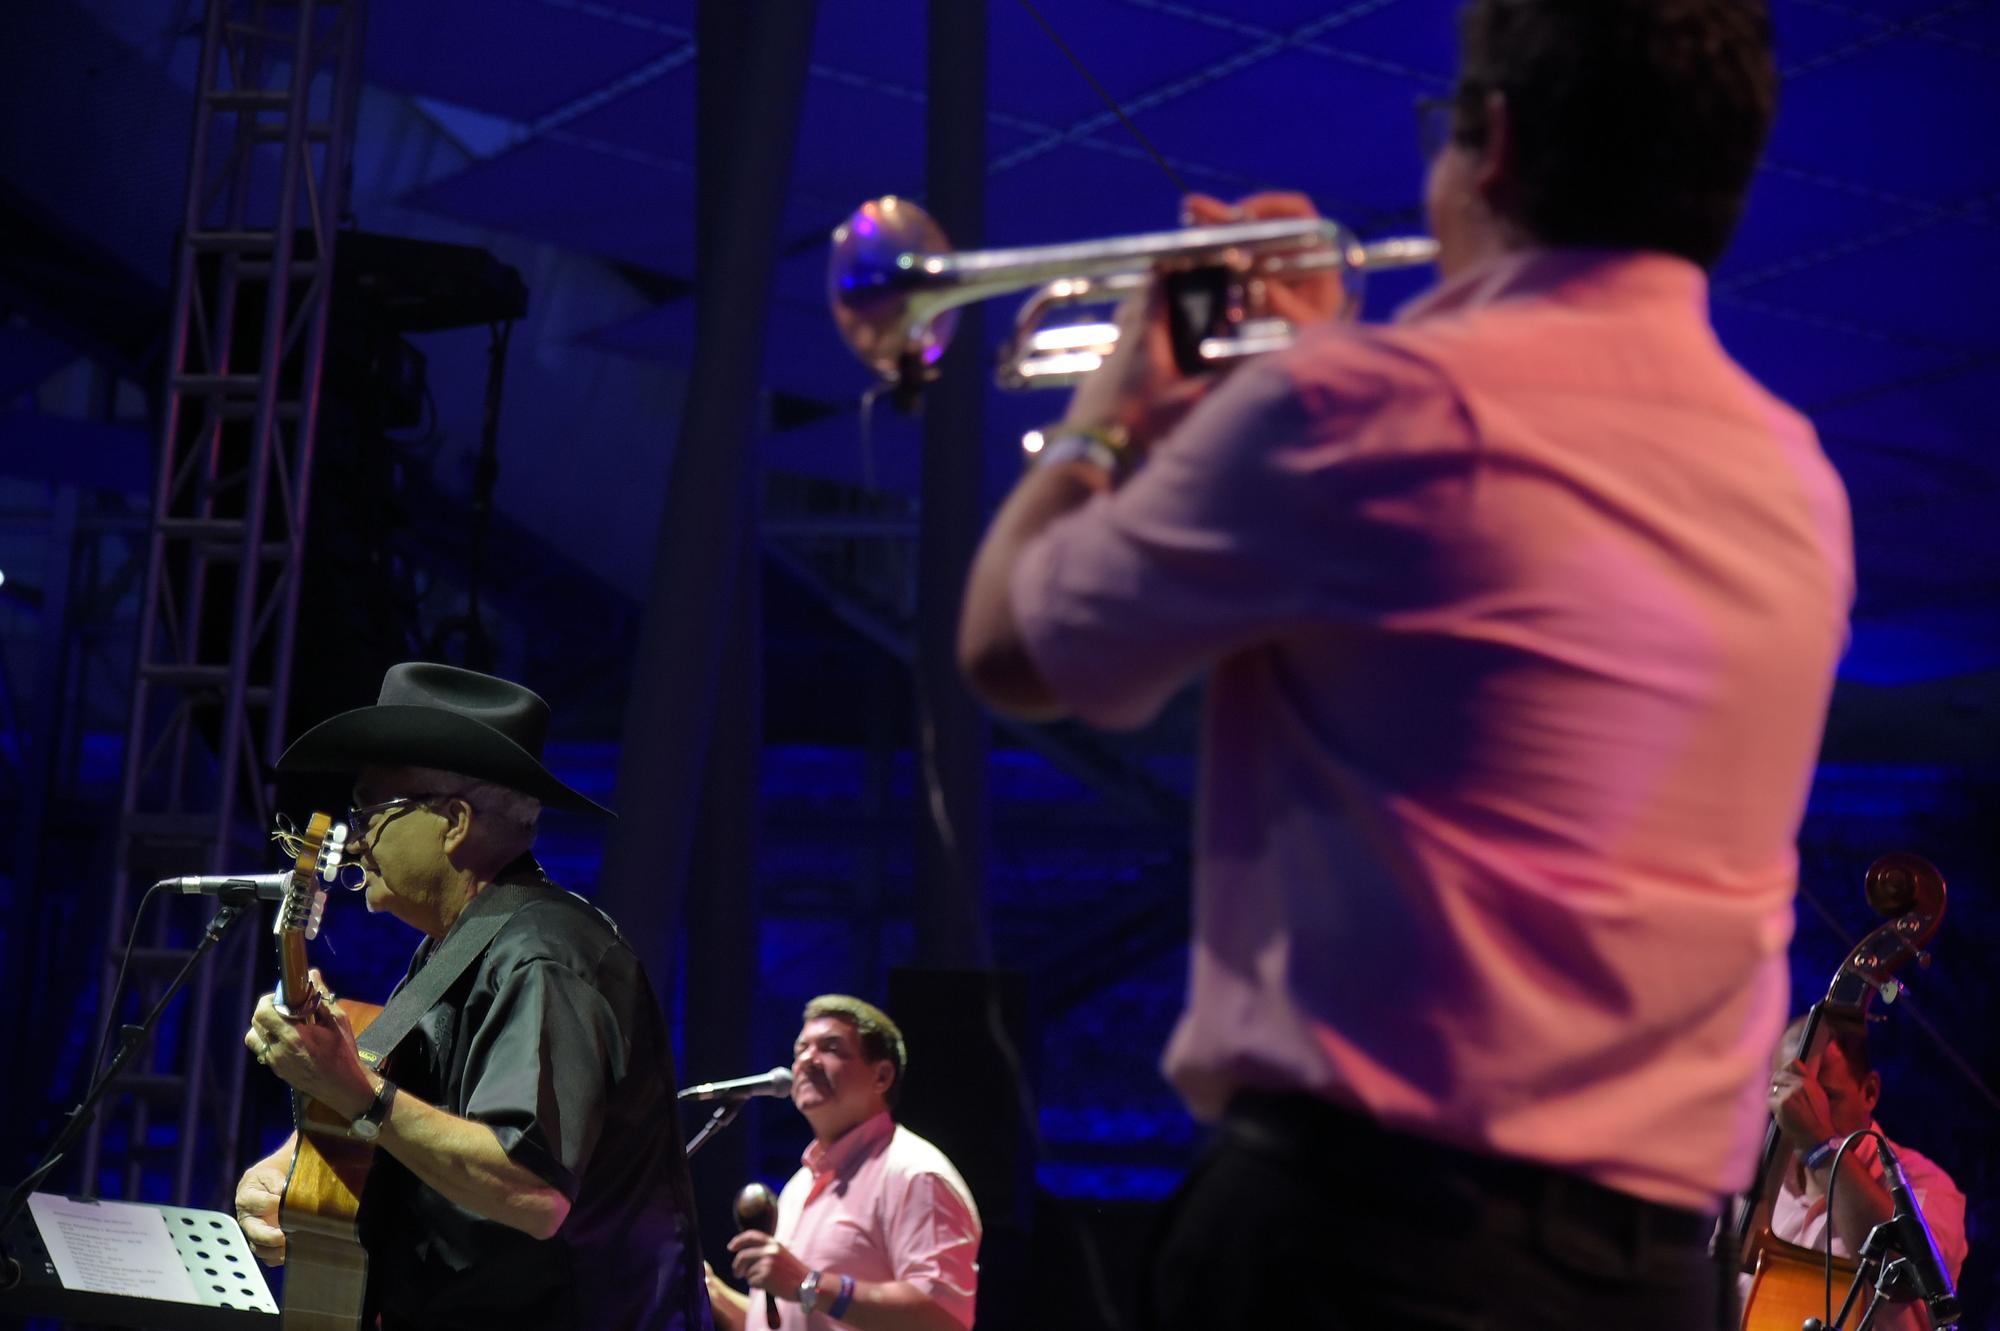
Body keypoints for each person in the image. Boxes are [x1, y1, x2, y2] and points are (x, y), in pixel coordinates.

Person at [958, 1, 1851, 1326]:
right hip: (1652, 1277)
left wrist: (1118, 413)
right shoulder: (1796, 478)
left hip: (1357, 1244)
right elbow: (1482, 622)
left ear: (1487, 145)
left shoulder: (1358, 408)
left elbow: (1009, 642)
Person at [232, 662, 711, 1331]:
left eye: (371, 808)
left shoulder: (546, 952)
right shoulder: (453, 949)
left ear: (454, 821)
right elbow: (394, 1126)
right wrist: (295, 1165)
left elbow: (533, 1186)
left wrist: (355, 1093)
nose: (355, 833)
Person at [707, 995, 979, 1331]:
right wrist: (713, 1294)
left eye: (830, 1048)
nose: (807, 1060)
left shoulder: (914, 1174)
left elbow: (943, 1316)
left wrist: (809, 1283)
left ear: (881, 1076)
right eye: (800, 1049)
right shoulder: (798, 1185)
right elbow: (797, 1318)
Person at [1756, 1014, 1967, 1330]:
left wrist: (1820, 1146)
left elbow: (1905, 1274)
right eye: (1784, 1092)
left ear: (1869, 1092)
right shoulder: (1754, 1181)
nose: (1797, 1108)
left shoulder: (1925, 1185)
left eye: (1824, 1096)